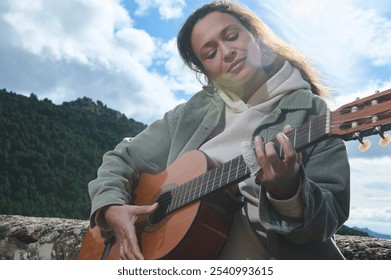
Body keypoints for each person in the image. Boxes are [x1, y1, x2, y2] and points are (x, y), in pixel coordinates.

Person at [88, 0, 350, 260]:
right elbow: (122, 158)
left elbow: (329, 217)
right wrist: (111, 206)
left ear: (256, 36)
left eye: (232, 37)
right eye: (210, 53)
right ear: (207, 73)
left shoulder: (310, 111)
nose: (226, 52)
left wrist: (289, 193)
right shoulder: (191, 114)